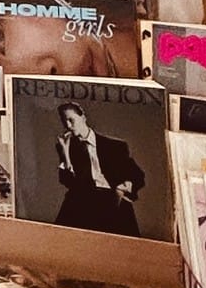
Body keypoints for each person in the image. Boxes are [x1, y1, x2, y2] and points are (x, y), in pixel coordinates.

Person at [52, 100, 146, 234]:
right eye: (64, 121)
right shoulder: (65, 146)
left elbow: (137, 175)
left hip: (112, 196)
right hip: (83, 199)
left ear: (83, 118)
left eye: (71, 120)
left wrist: (125, 186)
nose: (68, 125)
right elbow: (67, 182)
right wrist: (65, 154)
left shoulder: (114, 146)